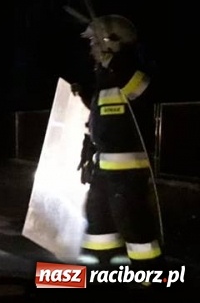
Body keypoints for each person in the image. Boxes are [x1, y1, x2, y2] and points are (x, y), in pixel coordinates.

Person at [73, 14, 163, 273]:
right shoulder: (104, 81)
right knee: (98, 224)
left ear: (112, 43)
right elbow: (101, 124)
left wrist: (114, 63)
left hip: (128, 174)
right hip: (103, 171)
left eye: (95, 43)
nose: (91, 49)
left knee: (134, 227)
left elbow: (139, 91)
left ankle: (151, 278)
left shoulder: (132, 72)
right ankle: (104, 273)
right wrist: (84, 96)